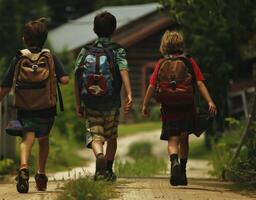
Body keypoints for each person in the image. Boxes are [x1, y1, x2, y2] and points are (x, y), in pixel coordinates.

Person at [0, 18, 69, 193]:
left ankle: (23, 167)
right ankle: (41, 174)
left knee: (26, 138)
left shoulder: (19, 57)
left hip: (25, 108)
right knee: (43, 140)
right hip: (47, 108)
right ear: (44, 38)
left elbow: (6, 85)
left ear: (25, 38)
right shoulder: (50, 57)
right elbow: (65, 80)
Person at [142, 30, 217, 186]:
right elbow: (200, 83)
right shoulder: (189, 61)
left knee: (172, 139)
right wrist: (209, 101)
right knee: (184, 138)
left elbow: (151, 86)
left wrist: (145, 104)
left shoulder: (161, 63)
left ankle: (173, 160)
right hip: (187, 107)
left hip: (168, 108)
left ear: (164, 46)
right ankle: (182, 172)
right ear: (181, 45)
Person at [74, 12, 132, 181]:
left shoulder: (85, 51)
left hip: (90, 101)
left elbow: (77, 77)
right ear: (114, 29)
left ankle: (99, 155)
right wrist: (129, 93)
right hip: (112, 102)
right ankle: (108, 169)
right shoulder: (117, 50)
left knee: (95, 136)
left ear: (94, 29)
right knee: (111, 136)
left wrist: (78, 103)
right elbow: (124, 70)